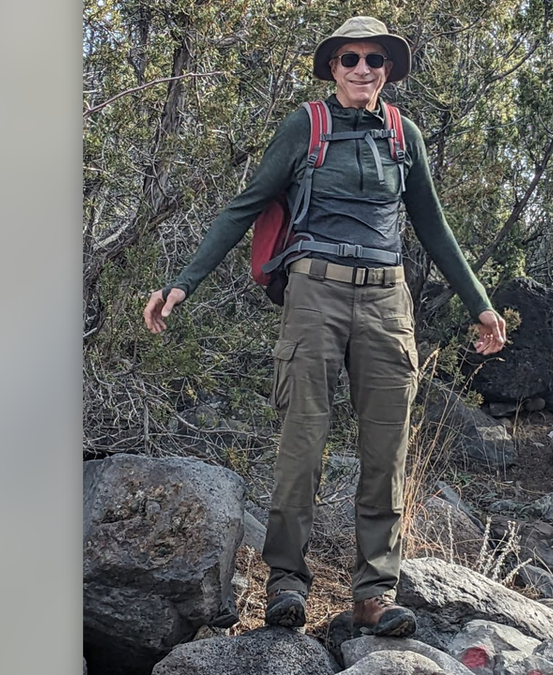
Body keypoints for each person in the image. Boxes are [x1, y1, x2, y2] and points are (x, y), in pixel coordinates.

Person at [143, 16, 506, 637]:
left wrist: (481, 303)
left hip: (387, 303)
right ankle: (285, 584)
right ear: (333, 67)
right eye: (350, 59)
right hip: (314, 293)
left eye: (375, 60)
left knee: (386, 451)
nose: (363, 68)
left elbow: (432, 226)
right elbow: (246, 205)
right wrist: (183, 283)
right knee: (302, 444)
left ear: (388, 70)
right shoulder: (304, 127)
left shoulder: (404, 135)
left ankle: (373, 593)